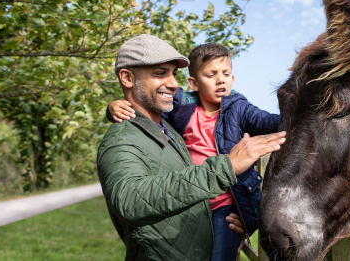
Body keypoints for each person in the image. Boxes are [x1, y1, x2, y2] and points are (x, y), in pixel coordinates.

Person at [97, 34, 286, 261]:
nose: (172, 83)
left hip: (221, 215)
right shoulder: (127, 138)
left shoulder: (168, 127)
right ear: (127, 77)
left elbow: (268, 122)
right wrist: (112, 107)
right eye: (160, 73)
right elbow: (130, 201)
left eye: (173, 74)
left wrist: (244, 218)